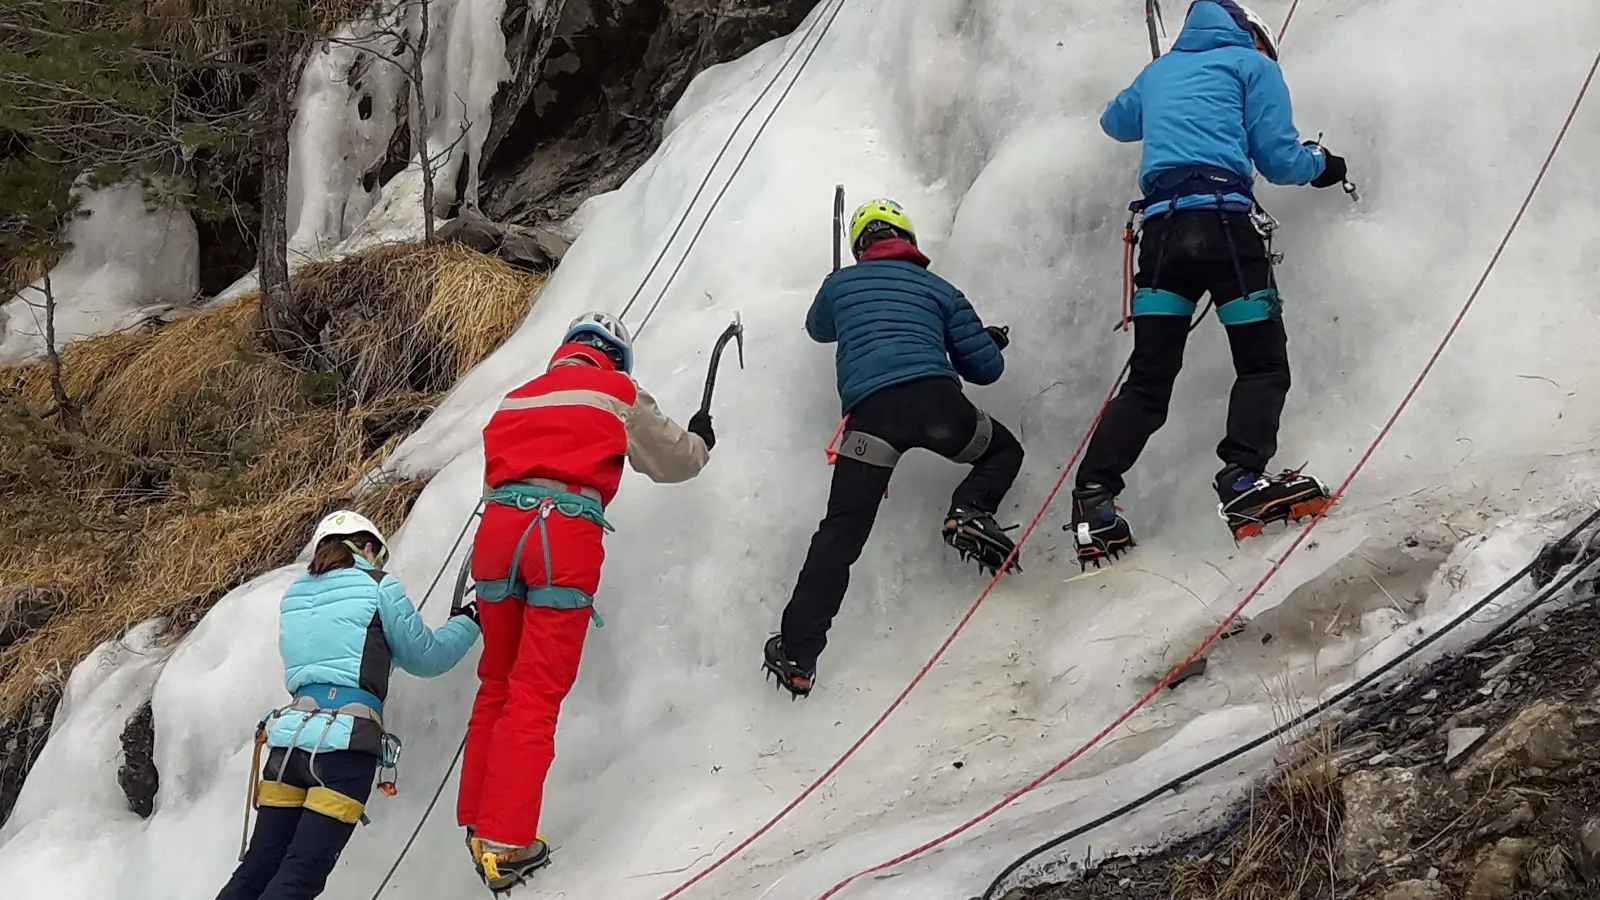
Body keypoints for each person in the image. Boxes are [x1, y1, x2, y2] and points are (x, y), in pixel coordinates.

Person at [1066, 0, 1347, 567]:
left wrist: (1159, 81)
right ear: (1253, 36)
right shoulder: (1253, 66)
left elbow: (1114, 122)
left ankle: (1094, 499)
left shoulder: (1160, 71)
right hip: (1223, 229)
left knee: (1149, 380)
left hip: (1162, 238)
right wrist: (1326, 164)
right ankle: (1243, 480)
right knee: (1262, 362)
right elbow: (1281, 159)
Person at [457, 311, 713, 892]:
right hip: (562, 534)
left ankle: (478, 819)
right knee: (536, 690)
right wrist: (703, 440)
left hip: (498, 535)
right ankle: (505, 839)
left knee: (497, 679)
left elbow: (496, 480)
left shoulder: (516, 399)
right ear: (616, 356)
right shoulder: (615, 391)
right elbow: (675, 459)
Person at [762, 198, 1024, 699]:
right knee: (1002, 451)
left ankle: (798, 654)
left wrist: (837, 286)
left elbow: (819, 328)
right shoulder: (940, 289)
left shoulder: (841, 284)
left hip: (873, 418)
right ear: (910, 240)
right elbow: (986, 369)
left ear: (861, 246)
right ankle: (970, 512)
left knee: (840, 534)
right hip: (939, 404)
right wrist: (986, 339)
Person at [218, 511, 480, 900]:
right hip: (343, 750)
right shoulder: (378, 586)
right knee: (300, 875)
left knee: (257, 867)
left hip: (286, 747)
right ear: (368, 547)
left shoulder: (295, 595)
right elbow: (429, 657)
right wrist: (468, 620)